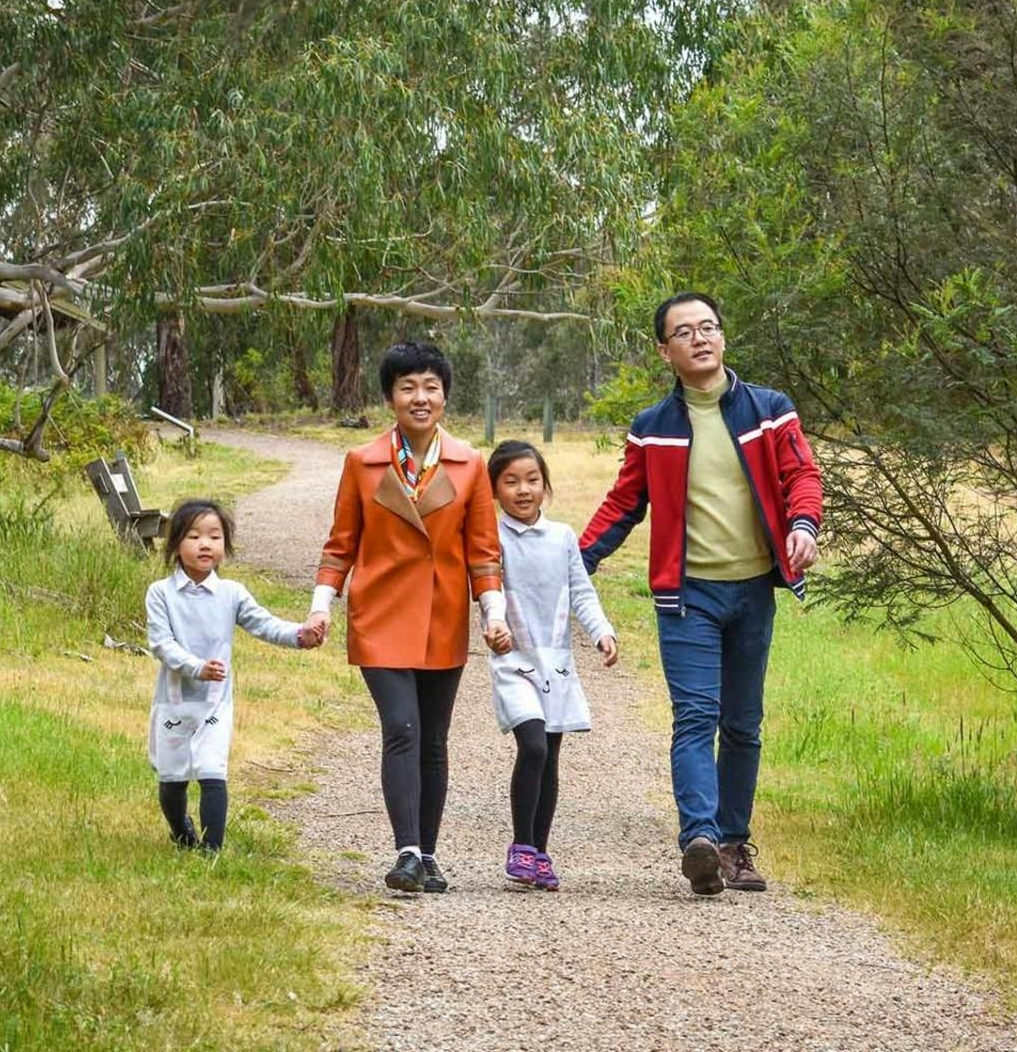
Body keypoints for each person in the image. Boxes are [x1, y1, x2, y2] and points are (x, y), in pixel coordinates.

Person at [579, 292, 824, 895]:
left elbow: (802, 475)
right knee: (695, 717)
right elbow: (623, 504)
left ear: (722, 337)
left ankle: (736, 847)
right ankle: (701, 841)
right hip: (686, 597)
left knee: (743, 723)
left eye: (708, 327)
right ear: (666, 351)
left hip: (752, 593)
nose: (699, 338)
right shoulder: (653, 428)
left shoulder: (770, 410)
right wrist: (575, 563)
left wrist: (802, 525)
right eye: (684, 332)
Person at [302, 342, 510, 893]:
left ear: (444, 396)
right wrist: (321, 607)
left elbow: (483, 551)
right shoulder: (361, 462)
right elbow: (339, 545)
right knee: (401, 729)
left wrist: (493, 613)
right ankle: (408, 852)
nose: (420, 398)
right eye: (407, 388)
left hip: (443, 617)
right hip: (380, 616)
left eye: (430, 388)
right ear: (390, 398)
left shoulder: (470, 464)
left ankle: (430, 853)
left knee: (434, 740)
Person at [145, 498, 322, 852]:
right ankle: (182, 832)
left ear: (225, 545)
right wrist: (197, 666)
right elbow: (161, 643)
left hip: (215, 704)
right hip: (174, 704)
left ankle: (212, 850)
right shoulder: (161, 593)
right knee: (173, 777)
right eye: (194, 536)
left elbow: (264, 623)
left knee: (212, 770)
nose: (205, 544)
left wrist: (298, 635)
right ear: (176, 544)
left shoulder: (231, 594)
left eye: (214, 536)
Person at [486, 439, 618, 891]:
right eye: (511, 482)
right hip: (513, 661)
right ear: (495, 490)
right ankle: (521, 844)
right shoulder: (492, 537)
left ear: (546, 485)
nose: (523, 490)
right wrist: (494, 623)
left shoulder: (562, 537)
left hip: (557, 664)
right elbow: (488, 588)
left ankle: (540, 852)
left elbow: (580, 590)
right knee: (534, 747)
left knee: (551, 757)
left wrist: (602, 631)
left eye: (532, 480)